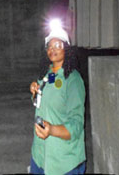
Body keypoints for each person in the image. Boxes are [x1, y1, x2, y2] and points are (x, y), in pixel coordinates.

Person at [29, 24, 86, 175]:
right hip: (40, 156)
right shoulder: (49, 74)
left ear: (66, 49)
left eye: (58, 45)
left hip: (63, 161)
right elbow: (45, 100)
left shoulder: (73, 80)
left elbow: (76, 124)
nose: (52, 49)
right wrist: (35, 91)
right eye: (49, 45)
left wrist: (52, 130)